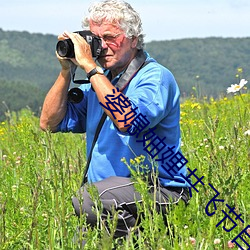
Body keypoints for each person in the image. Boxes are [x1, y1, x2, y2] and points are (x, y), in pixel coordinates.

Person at [40, 0, 190, 244]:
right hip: (112, 199)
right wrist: (66, 71)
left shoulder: (154, 77)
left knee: (88, 199)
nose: (102, 47)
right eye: (95, 39)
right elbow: (49, 123)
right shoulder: (100, 82)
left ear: (133, 39)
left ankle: (147, 241)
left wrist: (90, 67)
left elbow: (128, 120)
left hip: (160, 190)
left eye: (110, 37)